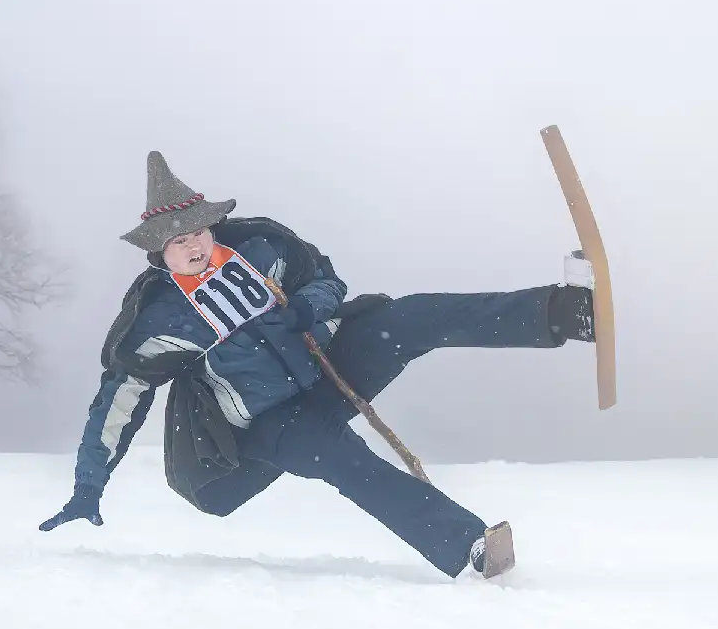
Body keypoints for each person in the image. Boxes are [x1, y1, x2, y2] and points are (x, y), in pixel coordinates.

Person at [39, 151, 596, 579]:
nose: (195, 247)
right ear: (158, 252)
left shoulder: (261, 247)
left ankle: (563, 313)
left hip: (326, 369)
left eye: (200, 232)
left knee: (410, 317)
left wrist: (307, 308)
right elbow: (118, 402)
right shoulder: (157, 321)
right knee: (341, 457)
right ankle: (470, 547)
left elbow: (327, 280)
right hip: (266, 427)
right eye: (179, 241)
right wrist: (88, 486)